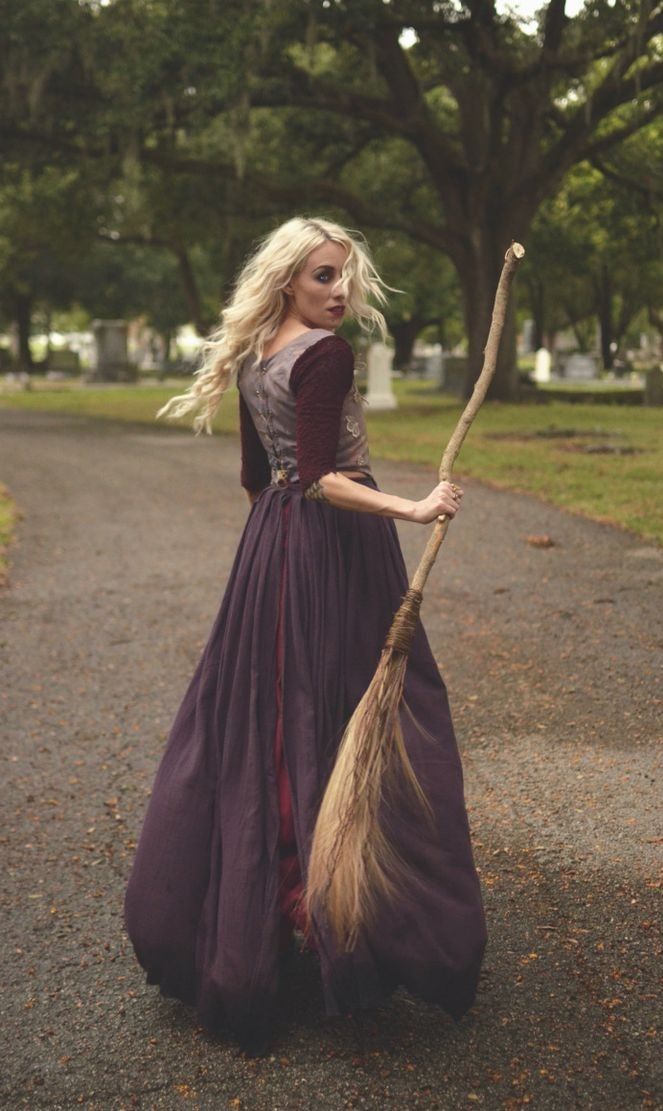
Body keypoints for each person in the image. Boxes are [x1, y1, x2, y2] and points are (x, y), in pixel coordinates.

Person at [123, 215, 487, 1053]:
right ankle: (339, 919)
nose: (341, 292)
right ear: (289, 276)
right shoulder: (323, 356)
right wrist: (411, 505)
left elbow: (263, 482)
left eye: (346, 277)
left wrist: (276, 563)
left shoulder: (258, 355)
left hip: (272, 551)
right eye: (324, 276)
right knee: (349, 715)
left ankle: (273, 919)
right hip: (333, 552)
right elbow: (322, 477)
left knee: (270, 723)